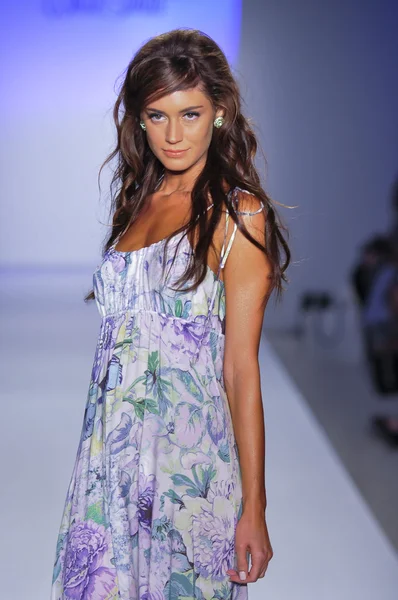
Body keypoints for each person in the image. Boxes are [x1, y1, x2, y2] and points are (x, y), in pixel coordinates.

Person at [50, 28, 291, 600]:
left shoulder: (238, 213)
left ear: (220, 113)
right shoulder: (136, 200)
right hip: (109, 458)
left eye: (191, 113)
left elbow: (240, 370)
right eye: (157, 116)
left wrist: (253, 505)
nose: (175, 134)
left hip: (188, 465)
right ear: (138, 119)